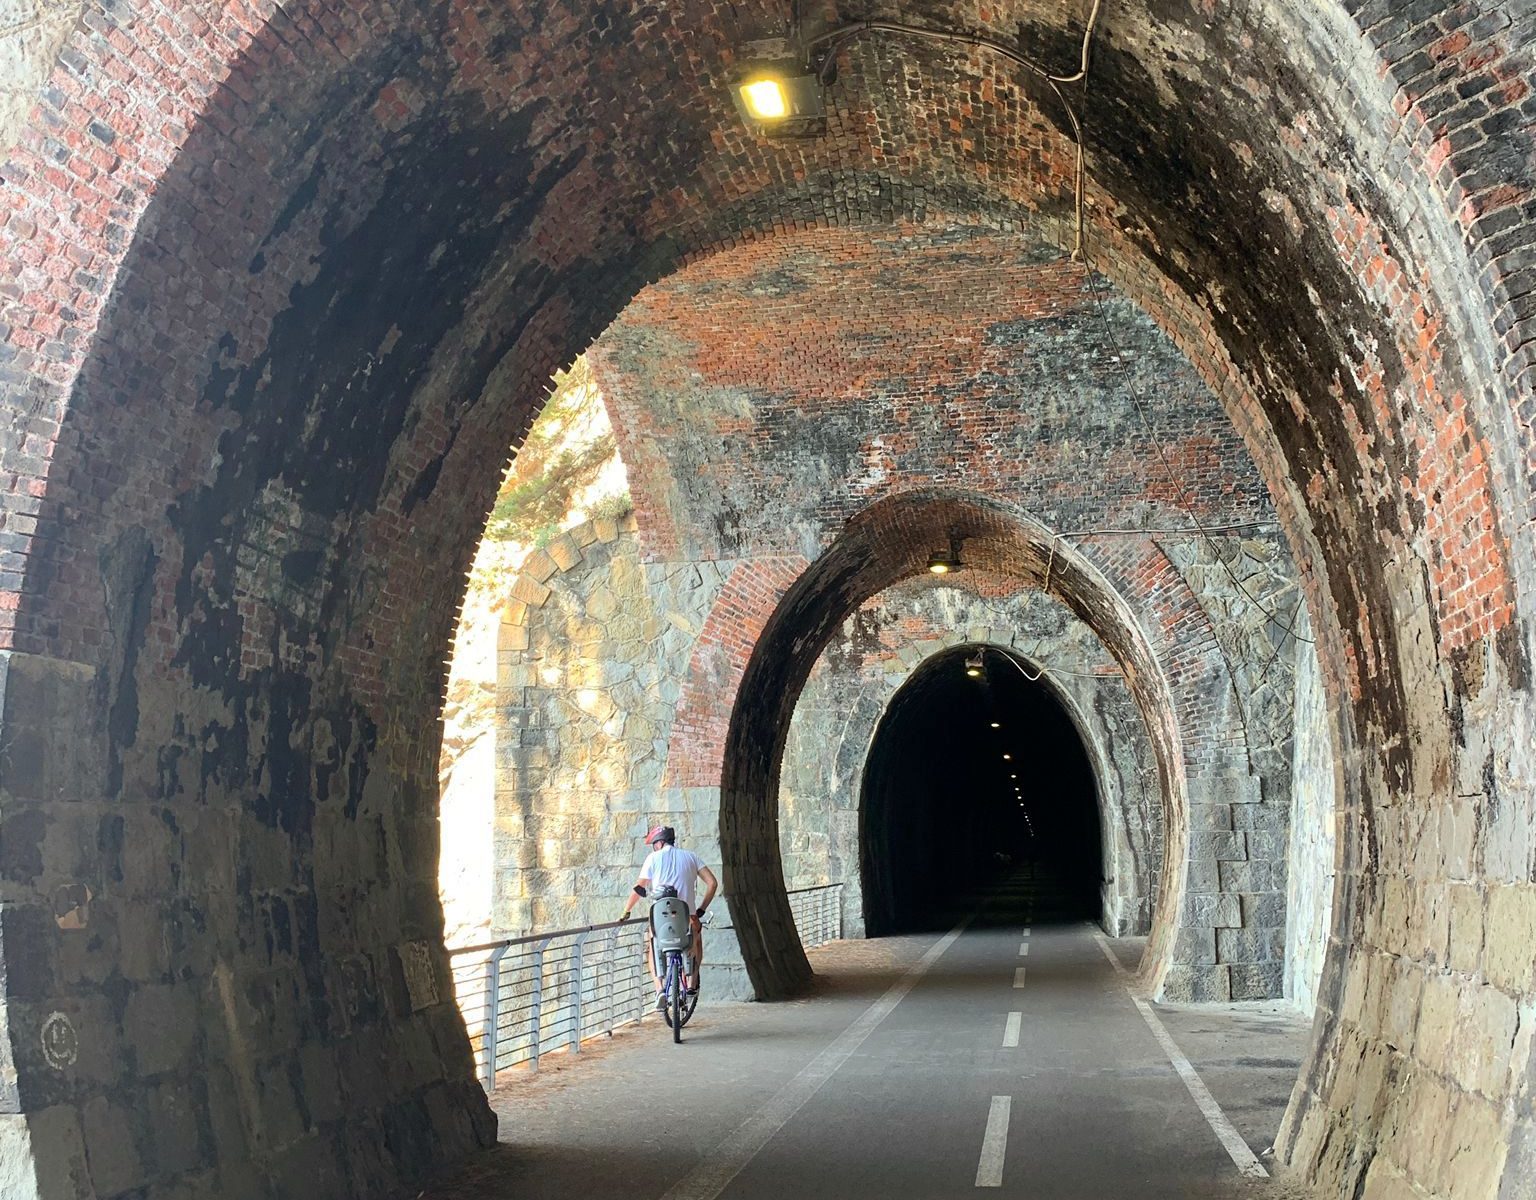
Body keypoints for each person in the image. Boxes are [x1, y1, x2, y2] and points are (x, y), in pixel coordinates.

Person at [620, 825, 718, 1009]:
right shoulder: (691, 857)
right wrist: (701, 910)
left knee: (652, 944)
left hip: (661, 919)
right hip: (686, 917)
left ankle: (660, 990)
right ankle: (691, 984)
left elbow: (639, 889)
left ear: (659, 843)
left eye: (654, 844)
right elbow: (712, 883)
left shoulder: (653, 858)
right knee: (695, 940)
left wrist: (625, 912)